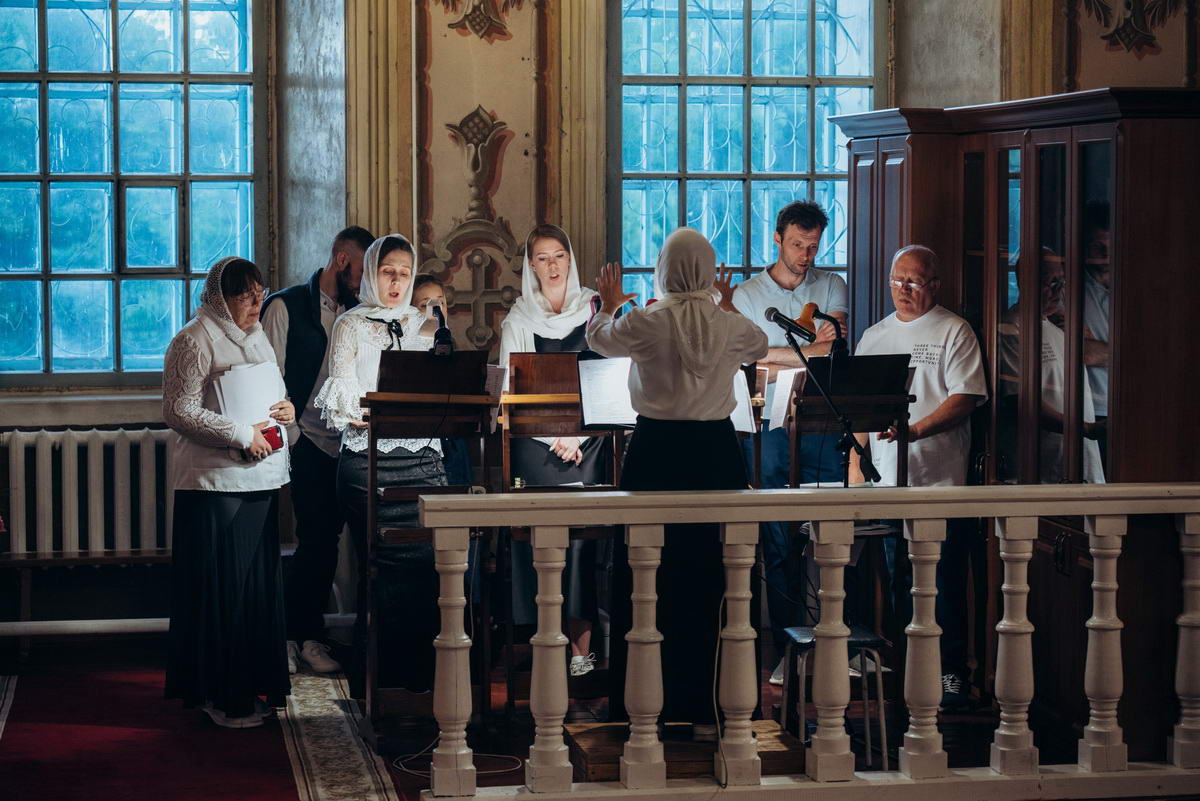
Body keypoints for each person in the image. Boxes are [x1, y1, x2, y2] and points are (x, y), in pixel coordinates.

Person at [588, 227, 768, 738]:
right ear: (708, 270)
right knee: (716, 575)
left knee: (650, 574)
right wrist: (725, 305)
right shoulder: (728, 325)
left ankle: (644, 706)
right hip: (716, 455)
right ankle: (716, 706)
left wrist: (609, 304)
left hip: (657, 454)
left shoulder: (646, 321)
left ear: (664, 269)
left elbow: (599, 340)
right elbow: (758, 345)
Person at [849, 244, 987, 711]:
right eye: (897, 280)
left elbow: (966, 396)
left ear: (935, 285)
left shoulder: (954, 330)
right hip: (889, 483)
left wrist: (916, 430)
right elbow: (860, 411)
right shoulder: (874, 336)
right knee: (898, 579)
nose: (903, 289)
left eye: (914, 281)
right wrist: (856, 467)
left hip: (940, 481)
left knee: (943, 581)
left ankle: (950, 673)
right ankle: (909, 669)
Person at [162, 257, 296, 728]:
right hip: (214, 483)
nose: (256, 303)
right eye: (245, 295)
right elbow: (178, 410)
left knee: (255, 586)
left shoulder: (257, 335)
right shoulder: (193, 339)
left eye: (260, 293)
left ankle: (251, 684)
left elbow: (274, 391)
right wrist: (241, 434)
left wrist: (286, 409)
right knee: (223, 589)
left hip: (262, 477)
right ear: (221, 298)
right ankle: (222, 694)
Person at [313, 233, 446, 696]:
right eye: (388, 271)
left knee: (427, 566)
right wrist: (376, 410)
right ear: (372, 272)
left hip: (423, 459)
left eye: (404, 274)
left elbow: (438, 387)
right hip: (367, 461)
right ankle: (378, 681)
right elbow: (342, 392)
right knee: (382, 566)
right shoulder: (349, 324)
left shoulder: (425, 324)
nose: (396, 282)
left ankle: (423, 678)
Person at [730, 200, 848, 685]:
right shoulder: (747, 295)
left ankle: (835, 644)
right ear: (778, 239)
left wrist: (776, 355)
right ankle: (786, 649)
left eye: (813, 246)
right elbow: (749, 361)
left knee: (831, 536)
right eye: (798, 244)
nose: (805, 255)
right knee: (777, 541)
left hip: (821, 423)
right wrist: (803, 351)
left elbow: (830, 349)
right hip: (766, 427)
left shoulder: (832, 284)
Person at [262, 225, 375, 676]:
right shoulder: (284, 306)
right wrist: (291, 440)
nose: (366, 282)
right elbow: (269, 374)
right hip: (304, 440)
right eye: (363, 270)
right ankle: (292, 636)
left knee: (340, 543)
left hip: (349, 443)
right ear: (342, 260)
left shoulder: (361, 313)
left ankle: (315, 636)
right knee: (313, 540)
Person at [498, 224, 608, 677]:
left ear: (570, 258)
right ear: (531, 266)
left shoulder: (595, 309)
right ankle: (544, 643)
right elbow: (509, 391)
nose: (552, 265)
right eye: (542, 258)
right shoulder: (519, 318)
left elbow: (610, 376)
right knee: (541, 544)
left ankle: (582, 652)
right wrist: (553, 437)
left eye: (559, 255)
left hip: (589, 442)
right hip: (536, 445)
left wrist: (575, 437)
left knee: (584, 548)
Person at [998, 249, 1105, 484]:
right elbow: (1019, 401)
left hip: (1080, 463)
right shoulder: (1011, 329)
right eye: (1052, 282)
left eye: (1062, 282)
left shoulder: (1058, 329)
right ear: (1026, 282)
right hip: (1044, 469)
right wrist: (1085, 429)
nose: (1060, 291)